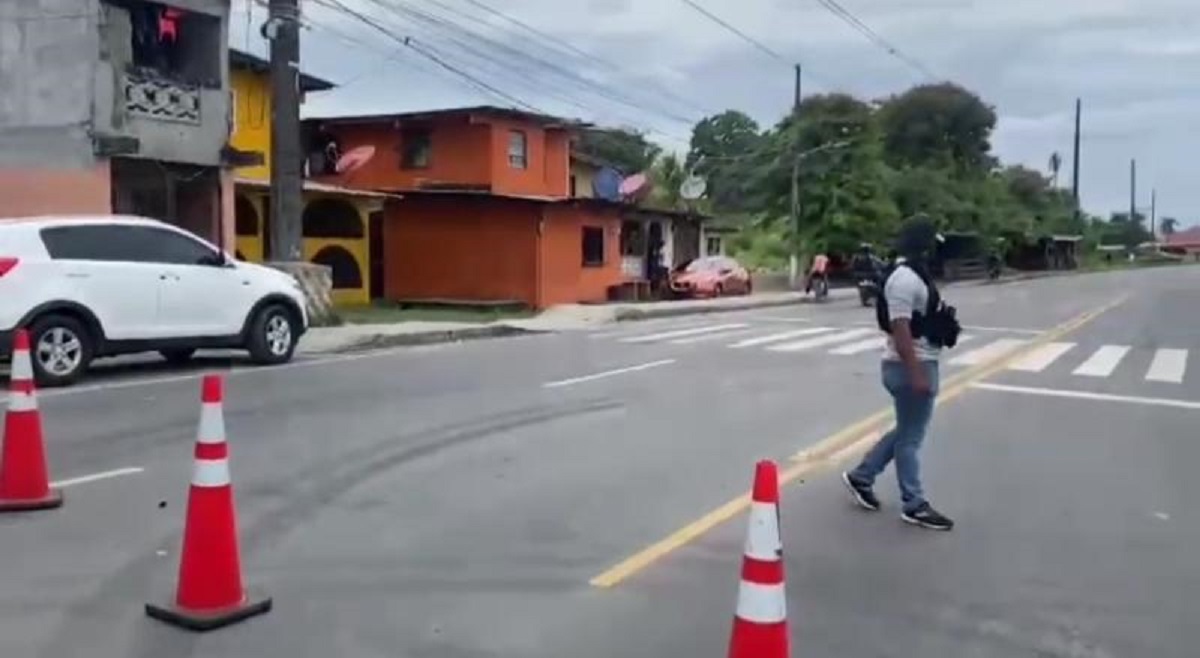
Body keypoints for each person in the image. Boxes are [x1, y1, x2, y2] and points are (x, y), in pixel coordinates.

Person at [842, 216, 957, 531]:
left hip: (916, 362)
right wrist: (916, 372)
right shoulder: (904, 279)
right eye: (932, 243)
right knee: (911, 438)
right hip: (909, 365)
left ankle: (862, 476)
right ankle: (914, 503)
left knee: (906, 431)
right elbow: (900, 327)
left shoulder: (913, 274)